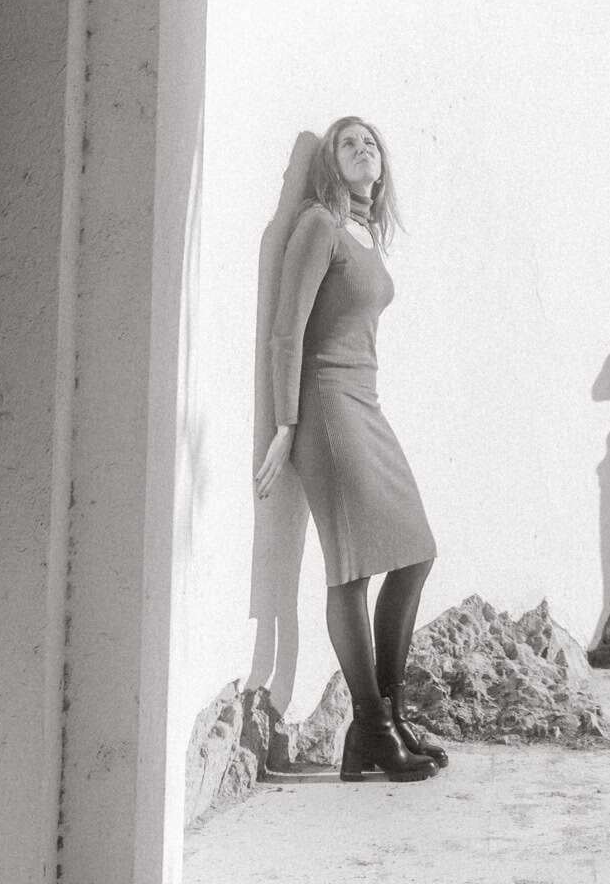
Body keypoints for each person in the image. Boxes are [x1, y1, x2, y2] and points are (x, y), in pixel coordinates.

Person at [256, 115, 446, 780]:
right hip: (327, 405)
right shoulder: (319, 225)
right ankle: (372, 727)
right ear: (330, 166)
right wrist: (286, 423)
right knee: (351, 569)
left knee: (415, 553)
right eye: (347, 142)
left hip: (365, 401)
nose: (362, 148)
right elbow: (287, 331)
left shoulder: (365, 234)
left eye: (371, 141)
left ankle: (382, 722)